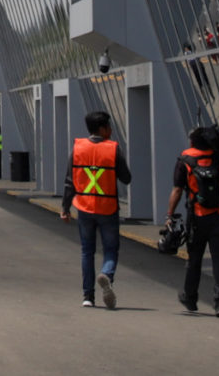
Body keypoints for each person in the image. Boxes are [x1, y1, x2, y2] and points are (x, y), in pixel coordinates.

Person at [67, 110, 129, 308]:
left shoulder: (78, 149)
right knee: (110, 249)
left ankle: (88, 296)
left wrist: (64, 208)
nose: (111, 130)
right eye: (109, 126)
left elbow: (69, 181)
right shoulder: (113, 149)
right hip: (108, 207)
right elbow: (127, 177)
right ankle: (107, 273)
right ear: (102, 129)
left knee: (87, 251)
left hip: (84, 207)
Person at [170, 123, 219, 317]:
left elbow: (178, 189)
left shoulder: (186, 158)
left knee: (194, 258)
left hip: (196, 217)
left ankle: (190, 297)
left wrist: (169, 214)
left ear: (192, 141)